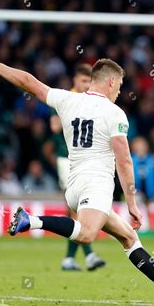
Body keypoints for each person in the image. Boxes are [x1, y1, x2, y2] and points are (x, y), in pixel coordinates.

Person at [0, 50, 154, 306]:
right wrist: (132, 202)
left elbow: (28, 81)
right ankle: (31, 220)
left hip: (74, 187)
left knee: (128, 237)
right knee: (86, 235)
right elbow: (124, 160)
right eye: (120, 86)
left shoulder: (67, 99)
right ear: (112, 82)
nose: (119, 92)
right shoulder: (114, 113)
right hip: (96, 185)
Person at [50, 63, 106, 271]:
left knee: (76, 210)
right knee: (78, 209)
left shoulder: (90, 101)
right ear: (75, 80)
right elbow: (54, 125)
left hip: (85, 161)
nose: (86, 85)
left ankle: (70, 259)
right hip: (67, 160)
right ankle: (88, 255)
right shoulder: (67, 99)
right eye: (83, 81)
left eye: (89, 82)